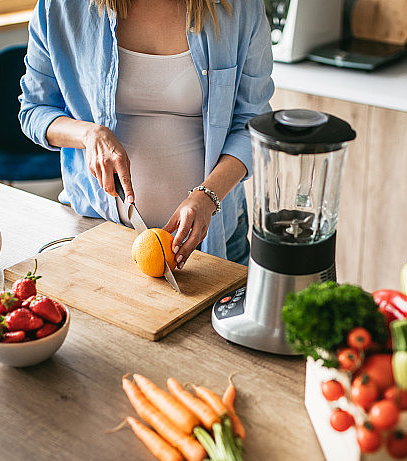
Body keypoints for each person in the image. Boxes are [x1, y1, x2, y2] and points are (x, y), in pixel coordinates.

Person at [19, 0, 273, 268]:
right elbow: (35, 109)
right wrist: (89, 134)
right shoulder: (60, 7)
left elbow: (253, 123)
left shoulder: (239, 7)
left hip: (215, 239)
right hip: (98, 230)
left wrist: (208, 196)